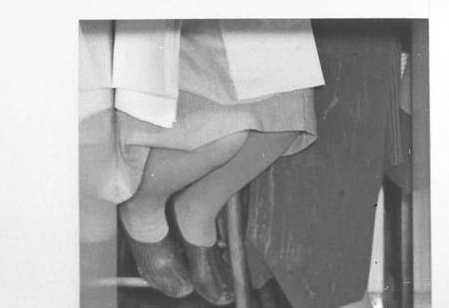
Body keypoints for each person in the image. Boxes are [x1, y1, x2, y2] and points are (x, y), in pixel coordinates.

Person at [84, 18, 322, 305]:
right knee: (222, 138)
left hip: (254, 2)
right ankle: (144, 205)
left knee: (286, 119)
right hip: (186, 20)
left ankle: (199, 207)